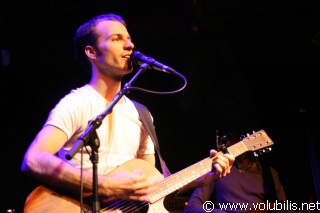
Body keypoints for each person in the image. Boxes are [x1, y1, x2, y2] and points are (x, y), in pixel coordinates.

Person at [21, 13, 235, 212]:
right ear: (92, 52)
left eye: (129, 38)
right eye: (116, 39)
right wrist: (105, 185)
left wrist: (203, 176)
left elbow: (155, 185)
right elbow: (34, 160)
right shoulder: (77, 103)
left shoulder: (141, 114)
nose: (130, 45)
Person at [184, 129, 287, 213]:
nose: (228, 144)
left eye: (233, 139)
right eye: (227, 139)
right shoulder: (219, 167)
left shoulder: (268, 172)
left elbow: (286, 208)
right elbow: (191, 207)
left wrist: (266, 207)